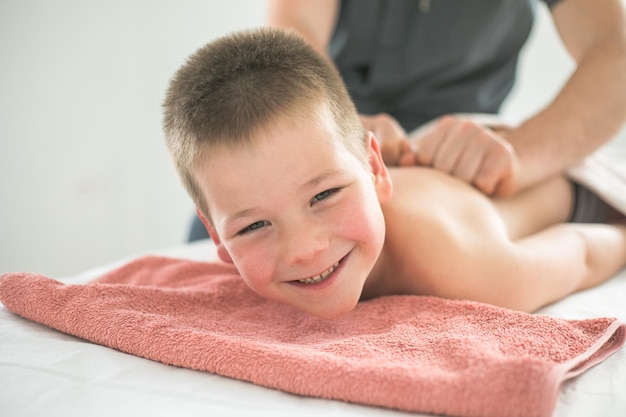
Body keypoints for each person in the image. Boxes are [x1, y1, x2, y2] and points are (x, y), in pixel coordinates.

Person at [163, 27, 626, 320]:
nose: (305, 249)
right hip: (399, 148)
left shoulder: (466, 267)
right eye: (254, 225)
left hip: (564, 182)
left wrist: (620, 236)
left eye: (324, 196)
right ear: (218, 239)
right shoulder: (324, 175)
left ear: (374, 171)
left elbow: (584, 253)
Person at [267, 0, 626, 197]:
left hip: (466, 156)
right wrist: (337, 124)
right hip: (334, 130)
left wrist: (519, 155)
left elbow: (616, 55)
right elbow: (297, 31)